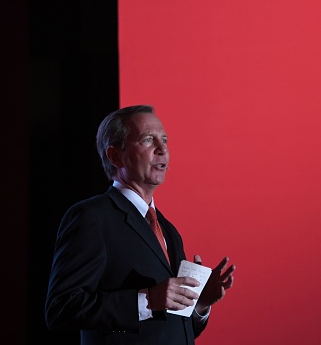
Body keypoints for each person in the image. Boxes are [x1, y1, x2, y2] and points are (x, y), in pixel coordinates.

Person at [45, 105, 235, 344]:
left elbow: (173, 328)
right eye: (148, 140)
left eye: (164, 140)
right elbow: (61, 309)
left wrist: (200, 303)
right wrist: (147, 300)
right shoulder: (91, 217)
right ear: (115, 156)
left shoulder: (168, 230)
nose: (162, 149)